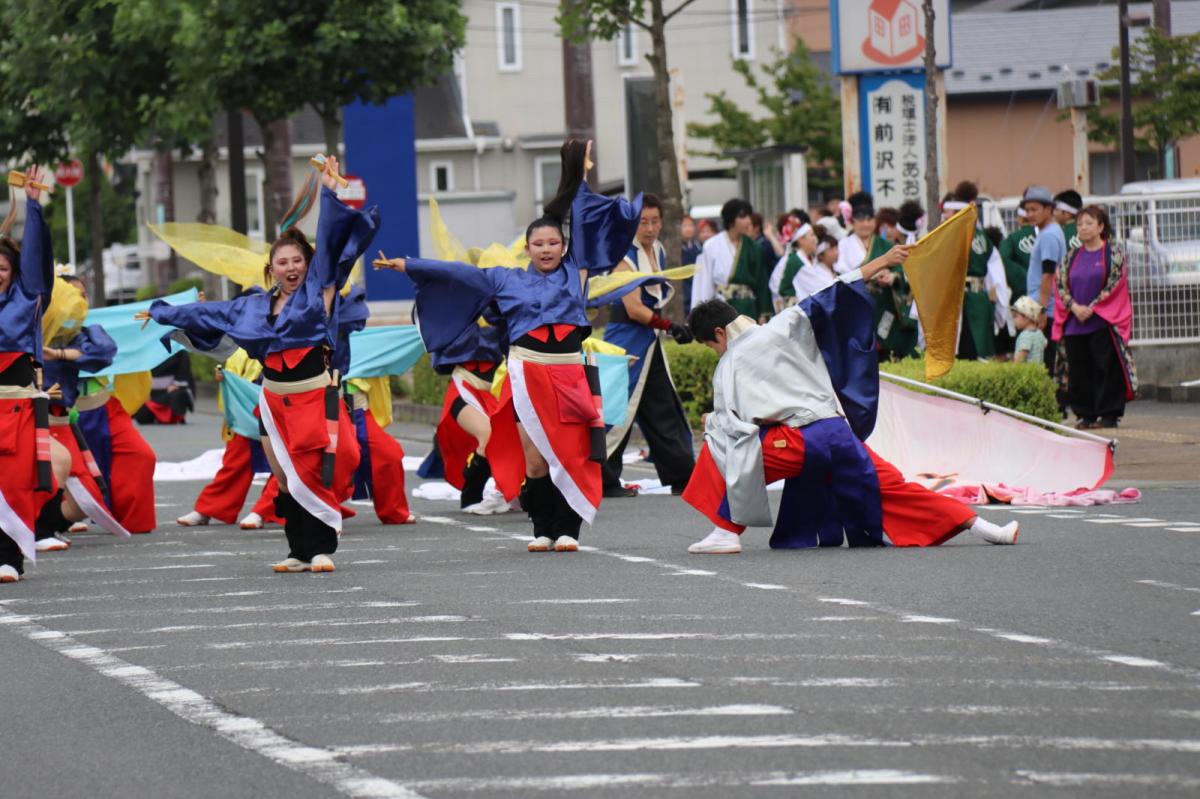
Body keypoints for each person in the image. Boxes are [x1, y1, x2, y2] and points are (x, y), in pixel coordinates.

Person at [377, 139, 650, 553]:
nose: (546, 249)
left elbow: (583, 218)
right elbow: (459, 274)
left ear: (563, 248)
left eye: (553, 243)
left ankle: (567, 531)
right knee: (536, 458)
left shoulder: (576, 270)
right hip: (527, 371)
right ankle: (542, 527)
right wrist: (409, 264)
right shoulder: (505, 278)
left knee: (570, 453)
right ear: (527, 247)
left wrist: (578, 170)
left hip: (570, 372)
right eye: (538, 244)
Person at [680, 251, 1019, 555]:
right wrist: (883, 261)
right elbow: (834, 291)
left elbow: (735, 426)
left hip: (798, 441)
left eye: (710, 345)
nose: (715, 351)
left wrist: (714, 422)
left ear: (720, 334)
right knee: (893, 485)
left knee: (723, 447)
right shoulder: (781, 326)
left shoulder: (729, 363)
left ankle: (725, 531)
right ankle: (987, 529)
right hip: (837, 432)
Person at [145, 156, 372, 573]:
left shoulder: (318, 295)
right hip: (272, 402)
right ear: (271, 269)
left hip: (311, 397)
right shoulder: (252, 307)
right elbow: (211, 314)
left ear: (308, 265)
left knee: (319, 471)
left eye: (297, 261)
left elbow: (329, 239)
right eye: (282, 262)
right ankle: (298, 551)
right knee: (285, 477)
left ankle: (321, 547)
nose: (290, 267)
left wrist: (329, 191)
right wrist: (164, 313)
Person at [602, 193, 696, 495]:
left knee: (663, 406)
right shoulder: (622, 255)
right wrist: (670, 326)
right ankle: (602, 477)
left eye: (655, 221)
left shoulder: (657, 249)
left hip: (649, 337)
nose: (651, 228)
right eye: (644, 222)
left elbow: (651, 304)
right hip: (625, 338)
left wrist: (667, 327)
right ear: (632, 223)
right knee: (615, 409)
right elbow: (634, 309)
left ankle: (682, 474)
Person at [176, 348, 283, 529]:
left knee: (287, 464)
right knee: (236, 460)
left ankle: (264, 511)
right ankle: (210, 508)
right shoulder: (244, 343)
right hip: (248, 408)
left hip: (284, 403)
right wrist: (226, 380)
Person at [1052, 205, 1136, 430]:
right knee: (1079, 371)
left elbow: (1115, 283)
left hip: (1103, 322)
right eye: (1079, 224)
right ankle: (1085, 414)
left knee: (1105, 368)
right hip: (1075, 323)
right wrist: (1075, 307)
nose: (1083, 228)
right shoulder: (1071, 257)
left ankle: (1108, 414)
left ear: (1101, 227)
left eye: (1089, 223)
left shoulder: (1113, 253)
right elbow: (1059, 285)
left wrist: (1092, 307)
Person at [691, 199, 770, 320]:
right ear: (731, 219)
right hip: (721, 309)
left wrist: (763, 313)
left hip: (749, 310)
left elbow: (762, 283)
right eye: (743, 217)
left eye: (749, 216)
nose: (748, 221)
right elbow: (704, 281)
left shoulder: (754, 248)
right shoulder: (711, 245)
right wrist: (701, 314)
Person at [1023, 185, 1067, 367]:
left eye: (1034, 209)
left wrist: (1040, 311)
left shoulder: (1049, 235)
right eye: (1027, 210)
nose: (1030, 214)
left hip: (1046, 310)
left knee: (1044, 364)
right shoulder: (1048, 232)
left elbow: (1048, 274)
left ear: (1048, 209)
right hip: (1045, 307)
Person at [134, 350, 195, 424]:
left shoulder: (177, 347)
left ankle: (174, 417)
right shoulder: (147, 347)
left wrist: (176, 384)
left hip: (172, 390)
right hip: (151, 393)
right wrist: (143, 390)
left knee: (176, 397)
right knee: (142, 415)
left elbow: (184, 368)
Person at [767, 219, 817, 309]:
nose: (815, 238)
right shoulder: (793, 260)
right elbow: (776, 285)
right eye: (812, 235)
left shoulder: (812, 259)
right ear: (801, 240)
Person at [999, 201, 1035, 303]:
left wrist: (1022, 278)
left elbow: (1003, 259)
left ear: (1020, 218)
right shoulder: (1044, 235)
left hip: (1022, 294)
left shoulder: (1012, 238)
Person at [1011, 296, 1047, 367]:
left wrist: (1013, 369)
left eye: (1015, 316)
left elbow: (1020, 357)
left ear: (1027, 317)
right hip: (1039, 372)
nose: (1013, 320)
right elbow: (1045, 344)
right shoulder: (1039, 332)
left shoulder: (1025, 336)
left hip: (1027, 375)